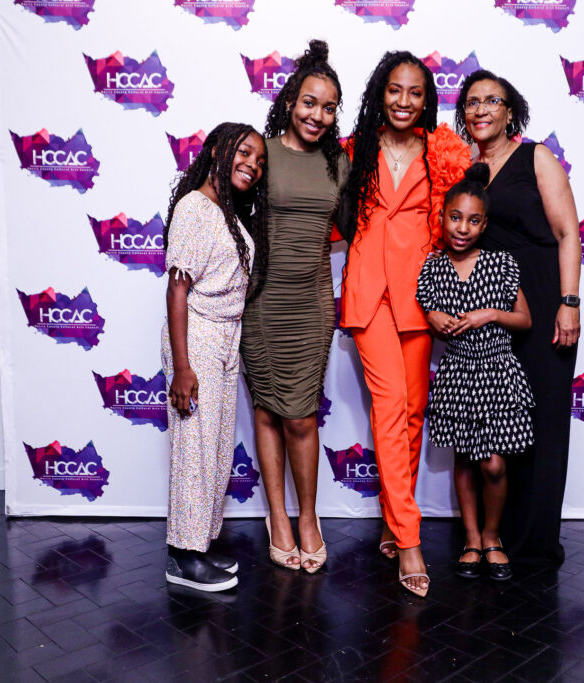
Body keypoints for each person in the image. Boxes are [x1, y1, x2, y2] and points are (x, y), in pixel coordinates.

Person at [339, 50, 470, 597]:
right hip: (370, 294)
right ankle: (411, 540)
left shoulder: (441, 151)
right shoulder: (354, 148)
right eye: (395, 90)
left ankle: (395, 521)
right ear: (380, 92)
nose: (404, 101)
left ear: (427, 99)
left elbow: (460, 218)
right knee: (391, 406)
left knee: (414, 411)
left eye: (415, 92)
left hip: (420, 295)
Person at [455, 70, 581, 566]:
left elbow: (569, 233)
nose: (480, 109)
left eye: (492, 100)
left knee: (543, 420)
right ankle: (494, 535)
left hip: (544, 297)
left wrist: (569, 303)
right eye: (471, 102)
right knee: (496, 424)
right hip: (492, 307)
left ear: (511, 111)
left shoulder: (536, 157)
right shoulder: (464, 167)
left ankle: (537, 540)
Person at [240, 39, 348, 574]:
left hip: (310, 304)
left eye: (329, 107)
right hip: (260, 302)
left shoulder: (339, 163)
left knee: (302, 418)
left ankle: (308, 517)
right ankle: (276, 518)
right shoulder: (259, 150)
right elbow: (227, 213)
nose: (318, 115)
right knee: (265, 411)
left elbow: (352, 229)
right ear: (289, 101)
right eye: (309, 103)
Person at [161, 122, 269, 592]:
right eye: (244, 153)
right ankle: (183, 557)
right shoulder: (194, 207)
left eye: (261, 161)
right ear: (218, 152)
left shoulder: (229, 213)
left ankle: (197, 547)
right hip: (199, 337)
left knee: (217, 447)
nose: (253, 165)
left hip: (228, 338)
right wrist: (183, 366)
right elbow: (178, 287)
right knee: (195, 449)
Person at [416, 163, 534, 582]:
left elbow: (525, 320)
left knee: (494, 465)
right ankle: (470, 538)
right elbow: (426, 307)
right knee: (464, 460)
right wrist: (433, 317)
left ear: (484, 225)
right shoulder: (432, 266)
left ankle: (491, 535)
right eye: (454, 217)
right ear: (443, 217)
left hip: (498, 373)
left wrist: (491, 314)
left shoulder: (501, 264)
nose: (461, 228)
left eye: (473, 220)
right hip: (458, 375)